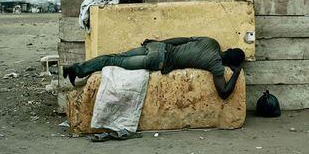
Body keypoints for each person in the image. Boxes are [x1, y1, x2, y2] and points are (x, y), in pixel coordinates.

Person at [63, 36, 245, 100]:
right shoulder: (216, 66)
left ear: (228, 49)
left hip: (157, 47)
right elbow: (224, 93)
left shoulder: (211, 42)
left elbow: (181, 39)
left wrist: (157, 42)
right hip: (157, 60)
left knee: (113, 57)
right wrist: (236, 73)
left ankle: (76, 69)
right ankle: (76, 70)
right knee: (113, 62)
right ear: (230, 63)